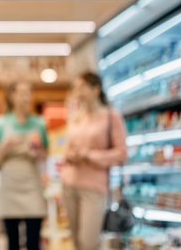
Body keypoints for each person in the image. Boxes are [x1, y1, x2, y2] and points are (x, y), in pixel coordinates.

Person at [61, 72, 127, 250]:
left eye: (82, 87)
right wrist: (70, 154)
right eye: (76, 88)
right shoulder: (76, 117)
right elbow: (67, 148)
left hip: (94, 187)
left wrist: (89, 155)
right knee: (75, 241)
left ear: (96, 89)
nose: (78, 92)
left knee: (88, 242)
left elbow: (121, 153)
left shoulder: (110, 117)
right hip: (69, 184)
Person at [0, 80, 48, 250]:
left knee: (33, 242)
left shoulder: (39, 123)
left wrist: (37, 153)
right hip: (10, 187)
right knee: (12, 243)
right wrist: (5, 146)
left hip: (32, 186)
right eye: (21, 93)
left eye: (28, 93)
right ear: (11, 96)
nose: (25, 98)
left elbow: (45, 155)